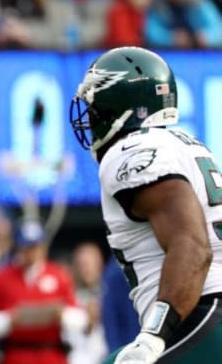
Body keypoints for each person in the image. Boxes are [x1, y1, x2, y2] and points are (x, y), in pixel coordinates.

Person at [69, 45, 222, 364]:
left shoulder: (131, 150)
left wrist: (153, 337)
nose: (90, 117)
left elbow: (192, 246)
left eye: (95, 107)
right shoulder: (184, 145)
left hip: (201, 312)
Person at [0, 219, 87, 364]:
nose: (32, 252)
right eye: (28, 247)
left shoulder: (59, 276)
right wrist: (9, 320)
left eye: (36, 247)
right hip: (16, 354)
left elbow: (80, 319)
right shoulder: (3, 278)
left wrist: (62, 315)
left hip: (51, 355)